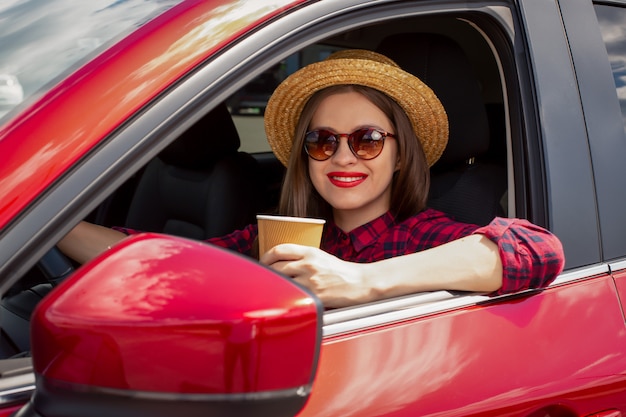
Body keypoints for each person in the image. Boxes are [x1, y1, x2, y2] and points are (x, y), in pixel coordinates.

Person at [58, 49, 565, 308]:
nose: (342, 157)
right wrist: (49, 227)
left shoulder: (421, 235)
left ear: (400, 156)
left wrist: (362, 282)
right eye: (323, 141)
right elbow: (165, 259)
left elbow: (534, 250)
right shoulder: (282, 238)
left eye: (366, 139)